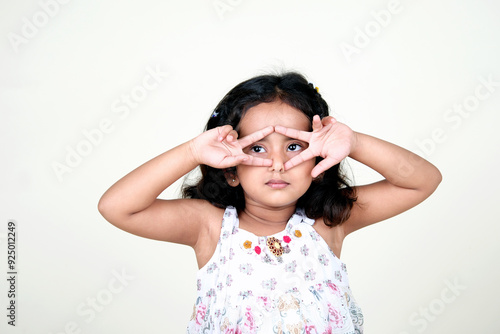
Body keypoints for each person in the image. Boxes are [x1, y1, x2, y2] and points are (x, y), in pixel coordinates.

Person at [98, 72, 442, 333]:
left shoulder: (329, 221)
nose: (277, 163)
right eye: (257, 148)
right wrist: (192, 152)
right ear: (231, 169)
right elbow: (117, 206)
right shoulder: (209, 226)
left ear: (319, 163)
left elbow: (422, 181)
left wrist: (354, 142)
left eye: (294, 147)